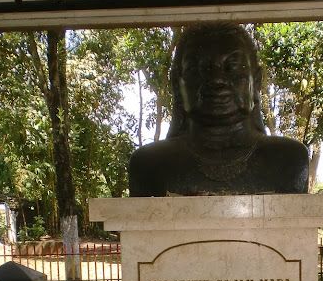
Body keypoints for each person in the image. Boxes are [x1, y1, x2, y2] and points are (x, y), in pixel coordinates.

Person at [128, 22, 309, 196]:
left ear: (256, 81)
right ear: (177, 83)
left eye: (232, 67)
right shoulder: (149, 164)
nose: (217, 80)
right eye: (200, 69)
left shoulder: (289, 159)